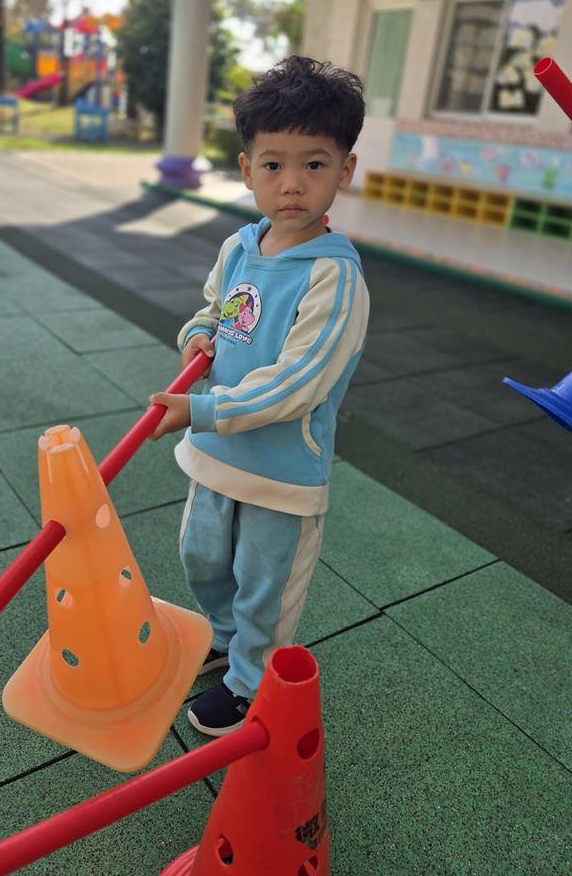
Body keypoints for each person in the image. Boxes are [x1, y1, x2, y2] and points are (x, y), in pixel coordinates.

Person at [149, 55, 370, 736]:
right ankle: (222, 639)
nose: (292, 183)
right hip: (217, 456)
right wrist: (197, 335)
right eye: (274, 164)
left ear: (344, 171)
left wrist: (204, 409)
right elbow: (216, 310)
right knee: (202, 556)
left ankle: (250, 682)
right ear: (247, 170)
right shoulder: (241, 248)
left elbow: (298, 383)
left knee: (264, 584)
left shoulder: (334, 277)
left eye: (314, 164)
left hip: (281, 473)